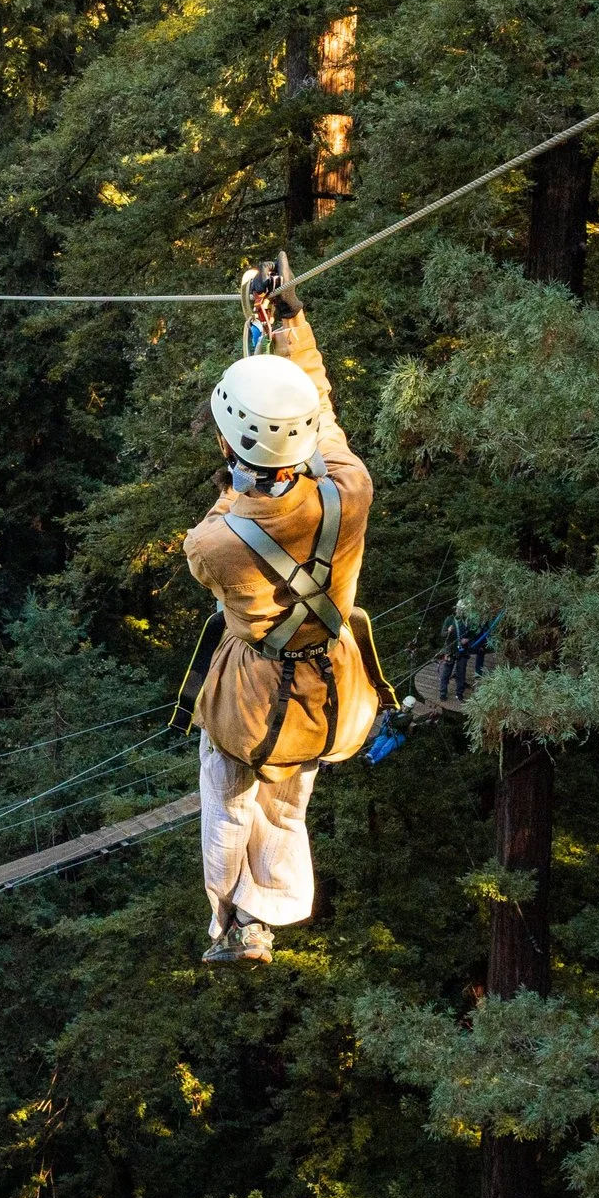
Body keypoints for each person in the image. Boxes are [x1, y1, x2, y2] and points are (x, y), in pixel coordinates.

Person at [181, 255, 386, 965]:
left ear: (231, 442)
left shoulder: (214, 543)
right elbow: (318, 409)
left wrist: (236, 474)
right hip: (331, 691)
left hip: (251, 698)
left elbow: (224, 531)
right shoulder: (350, 489)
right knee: (288, 798)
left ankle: (234, 921)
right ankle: (265, 909)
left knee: (230, 796)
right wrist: (289, 323)